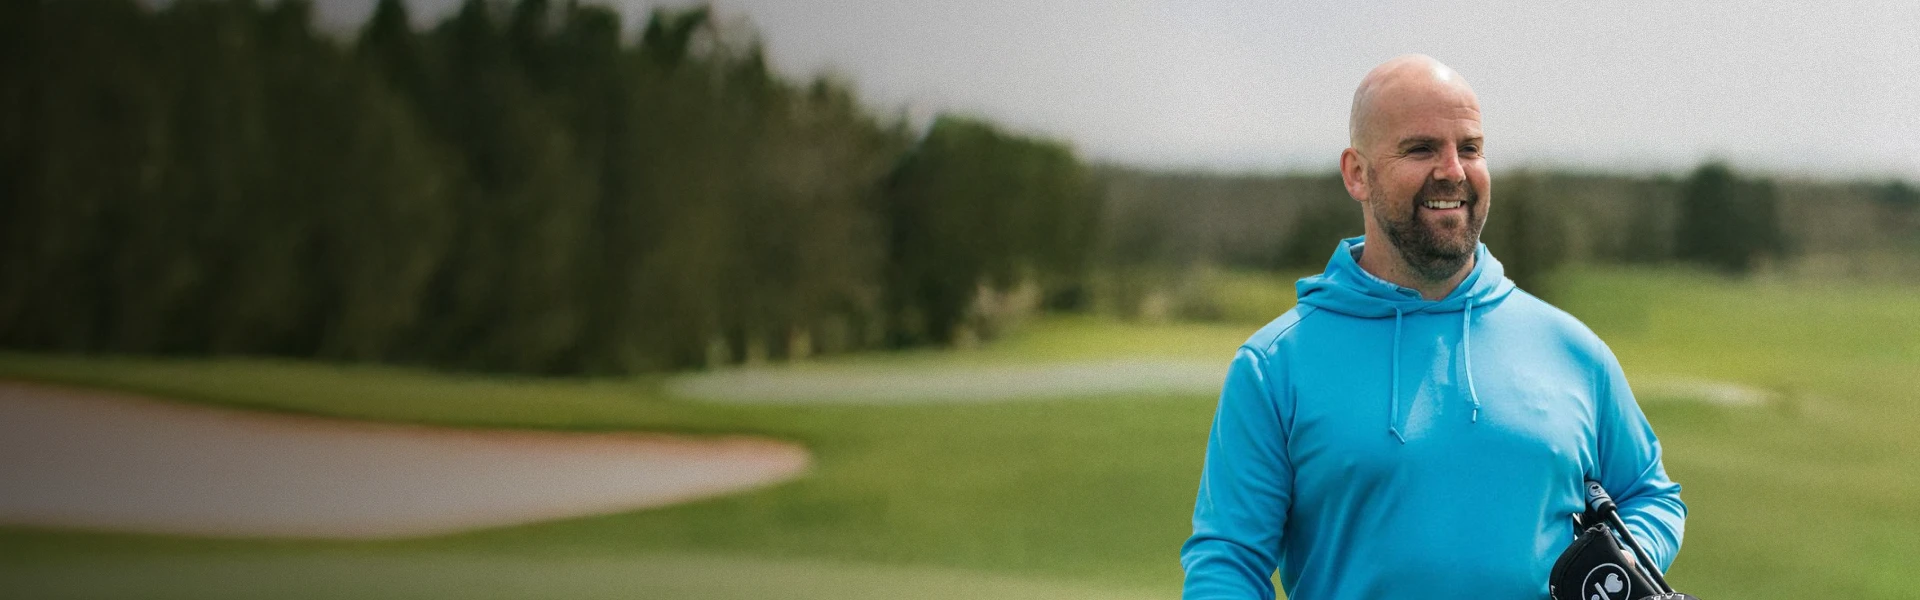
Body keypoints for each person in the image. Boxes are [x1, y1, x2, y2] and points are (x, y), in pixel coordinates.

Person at [1178, 55, 1686, 599]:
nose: (1453, 170)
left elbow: (1648, 494)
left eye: (1469, 148)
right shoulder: (1274, 367)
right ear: (1357, 173)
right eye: (1421, 149)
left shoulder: (1573, 350)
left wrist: (1610, 574)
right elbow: (1227, 561)